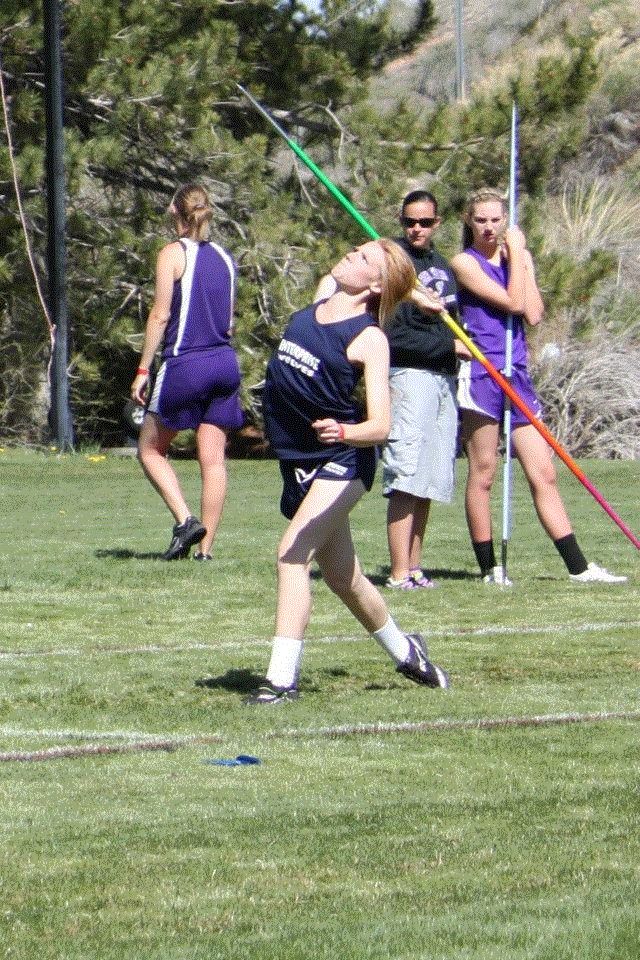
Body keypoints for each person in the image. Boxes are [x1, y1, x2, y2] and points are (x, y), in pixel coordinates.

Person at [249, 239, 450, 704]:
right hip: (297, 460)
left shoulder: (370, 338)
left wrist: (344, 431)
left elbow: (380, 425)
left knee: (291, 555)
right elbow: (379, 284)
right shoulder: (321, 300)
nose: (349, 255)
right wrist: (412, 292)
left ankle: (280, 682)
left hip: (341, 462)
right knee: (345, 578)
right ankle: (408, 655)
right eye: (356, 249)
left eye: (363, 259)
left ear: (376, 284)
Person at [451, 188, 626, 584]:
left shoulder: (517, 258)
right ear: (469, 221)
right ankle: (489, 567)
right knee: (484, 472)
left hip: (518, 373)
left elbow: (531, 313)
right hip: (484, 373)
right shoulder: (464, 263)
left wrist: (523, 260)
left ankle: (579, 567)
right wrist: (517, 261)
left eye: (497, 219)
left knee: (543, 472)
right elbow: (511, 303)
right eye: (481, 219)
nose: (490, 227)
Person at [131, 183, 243, 561]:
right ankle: (205, 552)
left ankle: (185, 521)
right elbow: (228, 319)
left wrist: (144, 368)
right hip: (225, 363)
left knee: (150, 449)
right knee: (212, 458)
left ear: (176, 212)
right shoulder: (226, 258)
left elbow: (161, 314)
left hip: (186, 363)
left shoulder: (171, 254)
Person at [380, 189, 471, 589]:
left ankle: (415, 567)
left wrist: (461, 343)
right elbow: (393, 338)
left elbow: (449, 321)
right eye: (409, 221)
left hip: (442, 379)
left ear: (437, 224)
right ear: (401, 222)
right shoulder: (393, 265)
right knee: (407, 472)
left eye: (425, 222)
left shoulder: (442, 267)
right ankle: (399, 572)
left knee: (429, 476)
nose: (416, 229)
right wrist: (448, 345)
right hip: (409, 377)